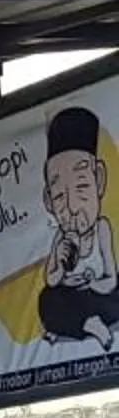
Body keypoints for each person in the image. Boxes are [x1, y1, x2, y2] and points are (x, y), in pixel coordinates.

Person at [38, 105, 119, 350]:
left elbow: (111, 278)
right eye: (59, 196)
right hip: (71, 298)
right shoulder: (60, 237)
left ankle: (79, 326)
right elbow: (51, 280)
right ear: (49, 201)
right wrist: (60, 262)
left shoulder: (101, 228)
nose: (72, 207)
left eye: (82, 188)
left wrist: (92, 283)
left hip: (98, 294)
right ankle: (89, 325)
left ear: (99, 181)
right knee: (48, 301)